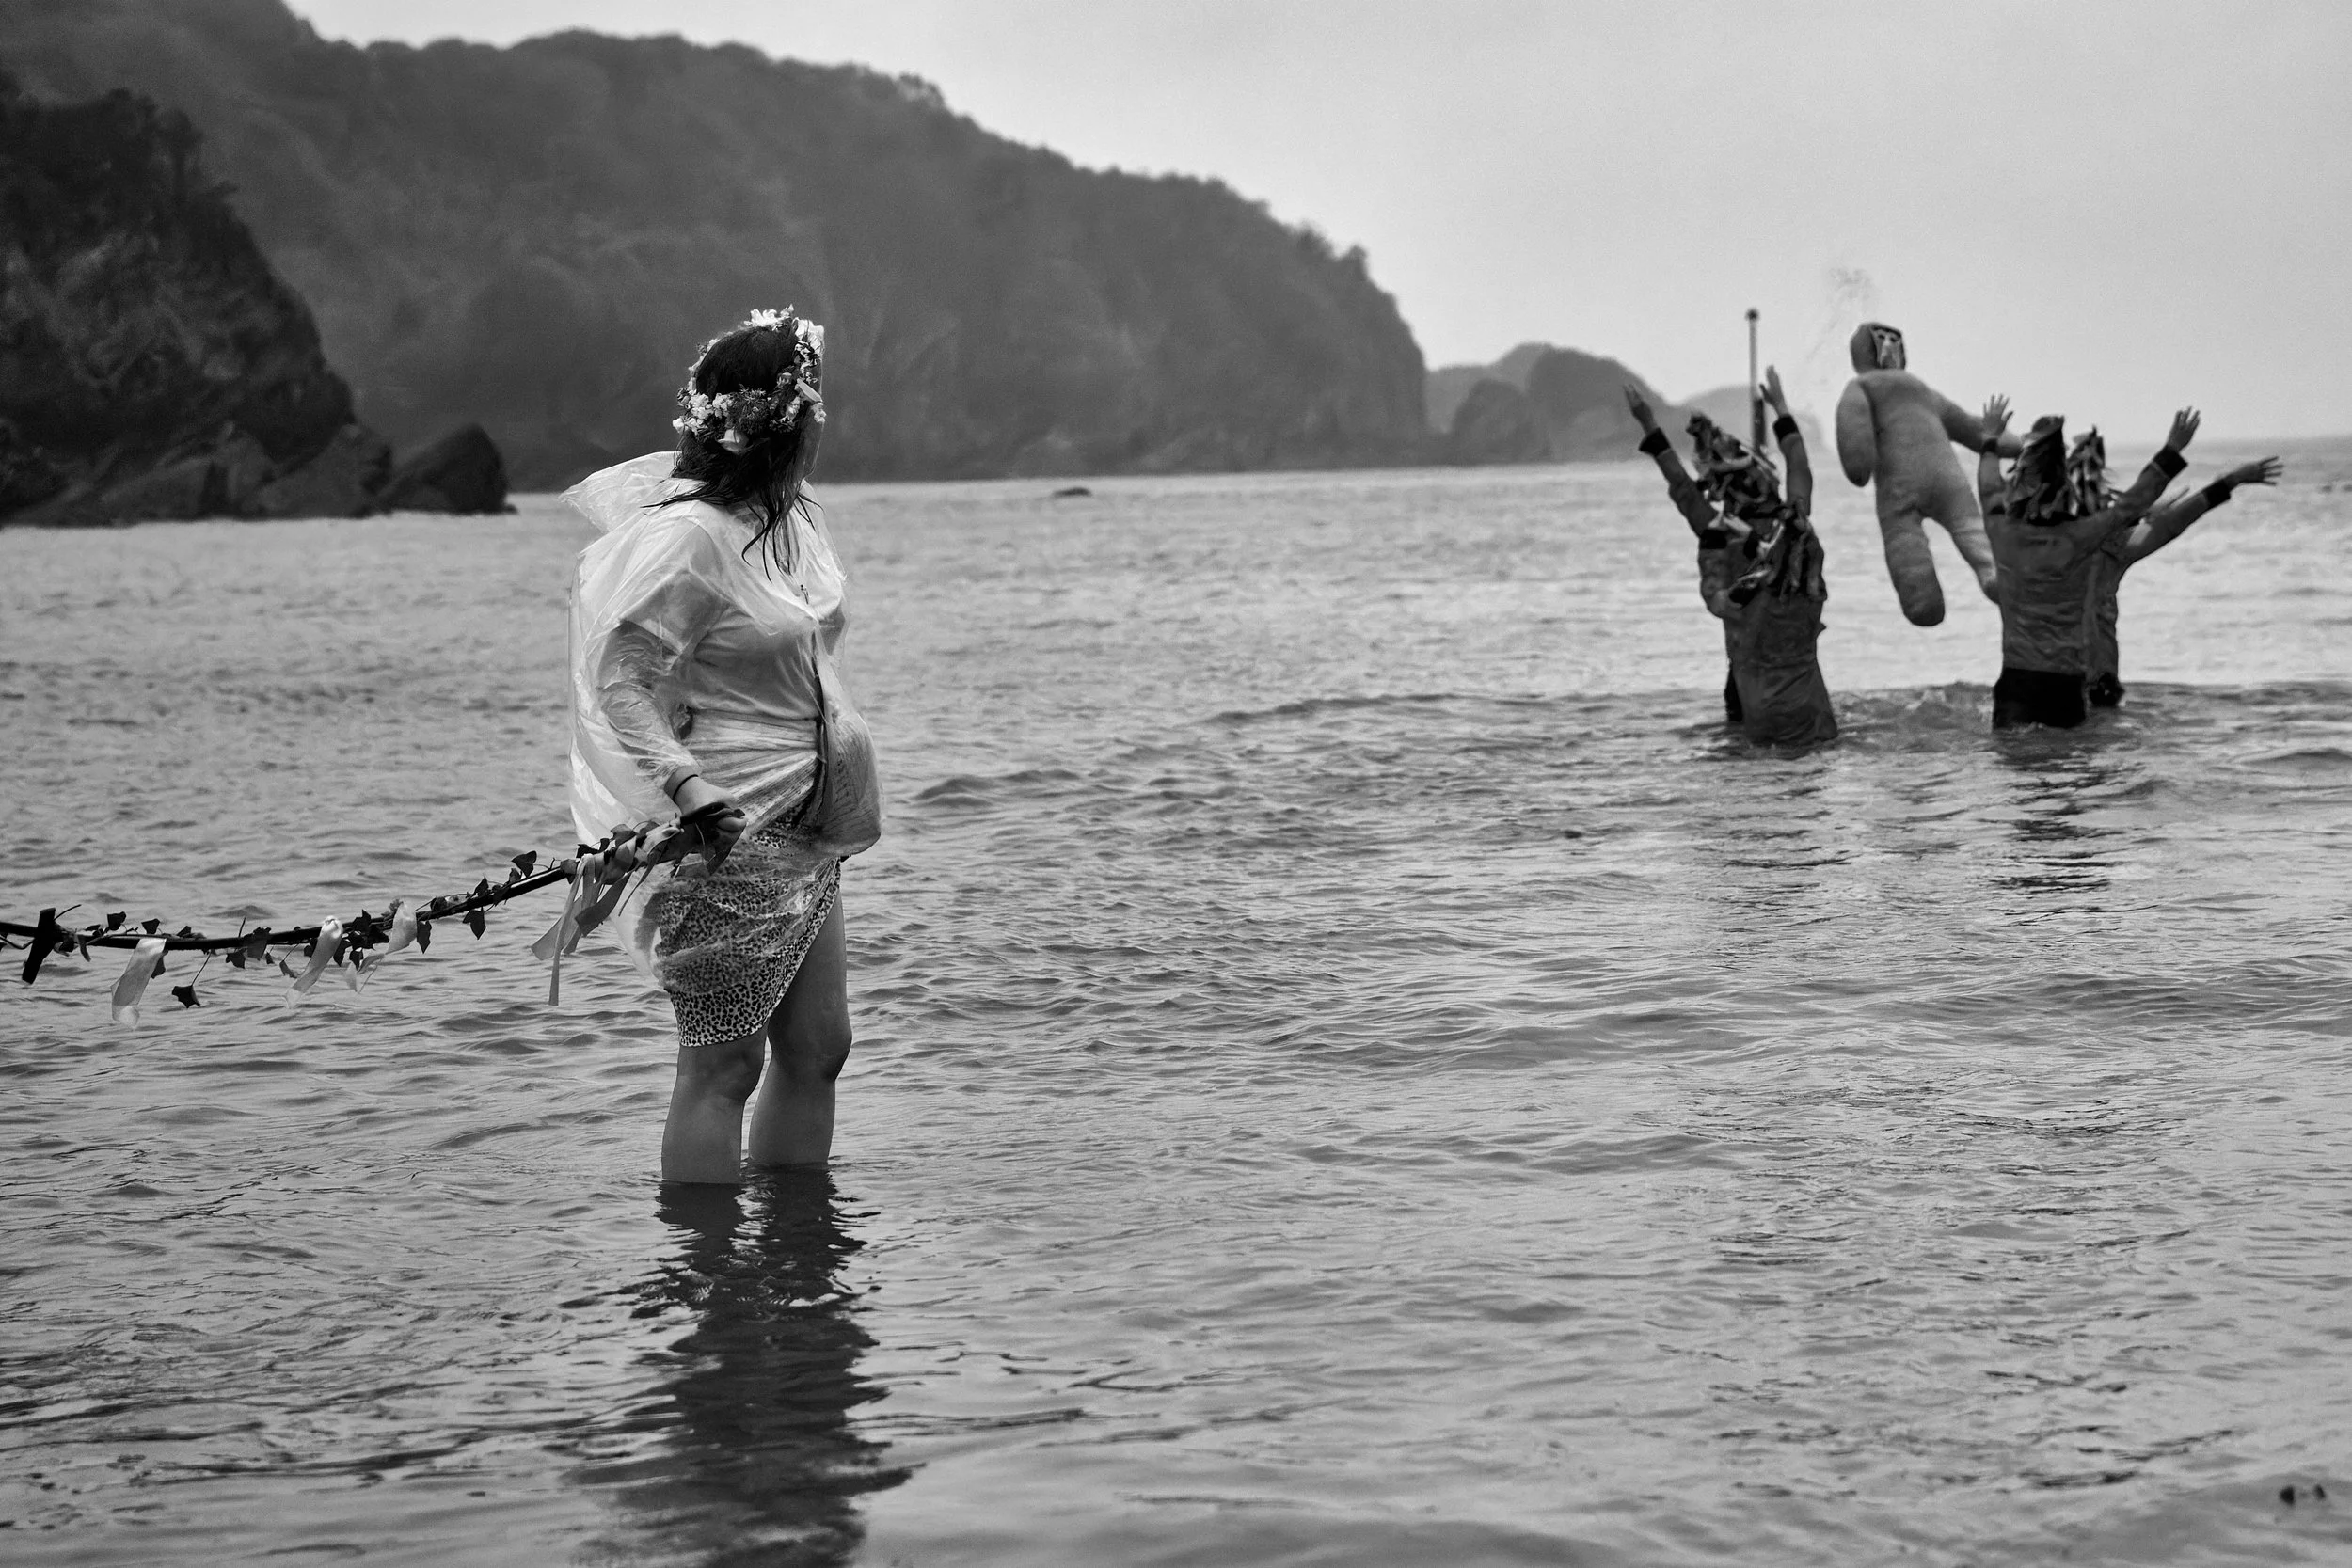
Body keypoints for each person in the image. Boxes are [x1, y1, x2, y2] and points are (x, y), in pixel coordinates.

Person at [563, 307, 882, 1184]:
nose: (823, 423)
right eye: (814, 405)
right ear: (788, 420)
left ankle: (799, 1244)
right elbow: (619, 674)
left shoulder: (788, 519)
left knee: (820, 1046)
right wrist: (687, 787)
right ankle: (707, 1259)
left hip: (808, 829)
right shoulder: (693, 536)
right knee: (724, 1066)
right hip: (729, 835)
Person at [1627, 370, 1836, 746]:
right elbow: (1799, 465)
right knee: (1814, 755)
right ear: (1765, 477)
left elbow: (1682, 486)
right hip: (1804, 682)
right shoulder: (1794, 522)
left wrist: (1649, 425)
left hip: (1746, 678)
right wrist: (1781, 409)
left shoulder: (1718, 533)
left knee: (1745, 760)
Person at [1976, 397, 2199, 729]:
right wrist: (2171, 450)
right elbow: (2129, 506)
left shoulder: (2002, 532)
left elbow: (1989, 488)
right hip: (2065, 686)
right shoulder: (2081, 537)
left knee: (2013, 759)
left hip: (2017, 684)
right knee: (2074, 760)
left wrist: (1990, 440)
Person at [1834, 322, 2023, 626]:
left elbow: (1855, 439)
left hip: (1899, 486)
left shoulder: (1862, 388)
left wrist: (1859, 466)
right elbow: (1973, 429)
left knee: (1903, 539)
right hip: (1948, 480)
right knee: (1971, 528)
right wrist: (2023, 445)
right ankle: (1993, 574)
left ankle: (1923, 598)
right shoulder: (1924, 392)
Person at [2083, 446, 2282, 705]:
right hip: (2098, 686)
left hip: (2052, 683)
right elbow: (2172, 523)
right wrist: (2230, 481)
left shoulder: (2042, 552)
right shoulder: (2113, 551)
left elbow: (2170, 522)